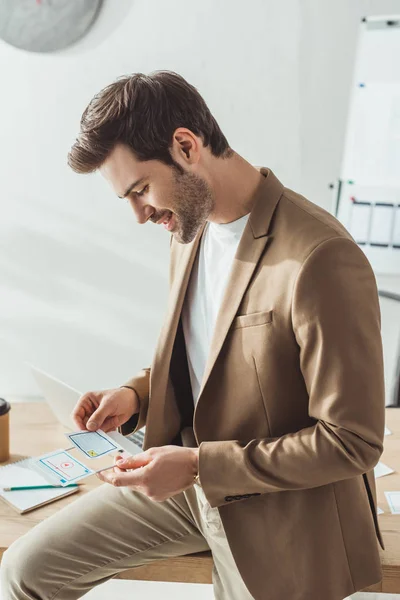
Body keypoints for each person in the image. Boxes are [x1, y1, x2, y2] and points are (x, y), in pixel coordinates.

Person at [1, 71, 386, 600]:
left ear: (186, 146)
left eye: (140, 190)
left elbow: (353, 442)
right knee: (26, 571)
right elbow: (217, 358)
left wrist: (201, 464)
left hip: (281, 508)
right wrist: (138, 392)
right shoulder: (190, 228)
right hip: (191, 484)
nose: (140, 215)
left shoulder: (320, 258)